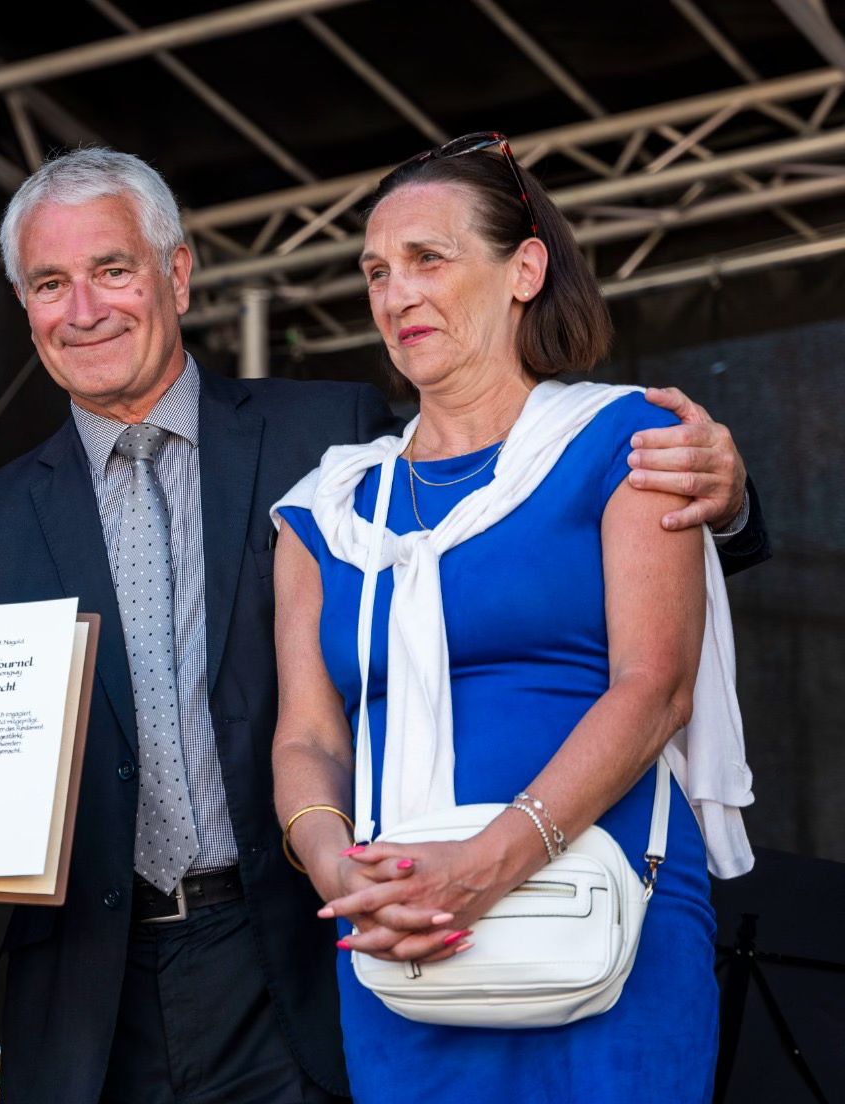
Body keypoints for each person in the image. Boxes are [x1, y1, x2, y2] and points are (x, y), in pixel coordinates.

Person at [0, 147, 764, 1104]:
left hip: (314, 961)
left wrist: (730, 499)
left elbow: (612, 595)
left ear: (178, 274)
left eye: (113, 270)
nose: (84, 308)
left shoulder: (324, 434)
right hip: (113, 984)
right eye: (50, 282)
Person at [271, 132, 754, 1103]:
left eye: (427, 260)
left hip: (604, 918)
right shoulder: (321, 509)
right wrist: (339, 874)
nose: (395, 294)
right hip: (403, 940)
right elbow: (307, 738)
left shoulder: (629, 439)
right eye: (374, 271)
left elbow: (652, 690)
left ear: (524, 268)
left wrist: (490, 863)